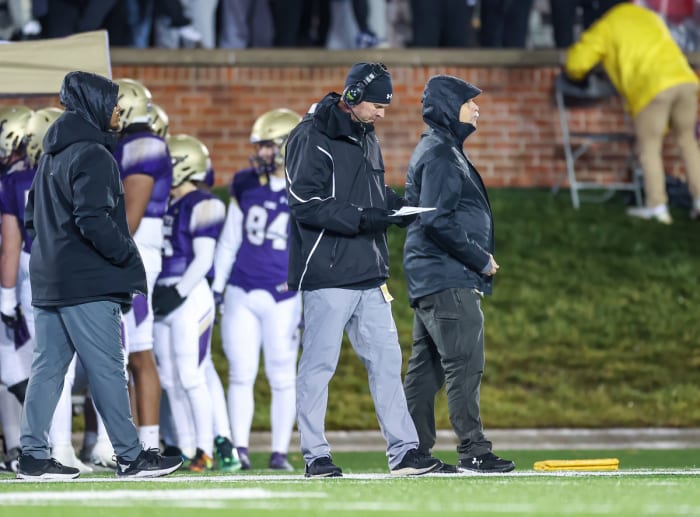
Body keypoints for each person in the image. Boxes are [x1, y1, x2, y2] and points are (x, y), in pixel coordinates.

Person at [18, 70, 182, 480]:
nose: (119, 109)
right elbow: (93, 220)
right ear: (93, 105)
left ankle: (33, 456)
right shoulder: (93, 153)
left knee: (47, 369)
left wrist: (54, 253)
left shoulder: (50, 155)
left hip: (50, 278)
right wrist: (125, 256)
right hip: (87, 281)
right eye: (112, 102)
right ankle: (130, 456)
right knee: (108, 367)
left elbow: (31, 219)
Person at [285, 62, 441, 478]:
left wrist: (396, 206)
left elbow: (370, 191)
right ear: (352, 96)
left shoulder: (365, 133)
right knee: (319, 367)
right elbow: (305, 203)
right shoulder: (309, 136)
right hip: (328, 272)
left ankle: (404, 452)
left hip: (370, 274)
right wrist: (364, 217)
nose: (382, 114)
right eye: (377, 105)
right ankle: (315, 456)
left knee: (388, 363)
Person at [401, 74, 515, 474]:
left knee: (426, 368)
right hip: (447, 275)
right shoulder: (442, 154)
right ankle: (473, 450)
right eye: (469, 102)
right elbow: (437, 220)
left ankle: (412, 451)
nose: (476, 108)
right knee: (464, 363)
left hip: (431, 274)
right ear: (450, 108)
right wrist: (479, 258)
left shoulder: (438, 148)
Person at [212, 108, 302, 471]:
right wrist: (217, 288)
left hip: (284, 293)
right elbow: (230, 239)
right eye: (260, 145)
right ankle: (240, 449)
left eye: (268, 145)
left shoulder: (307, 185)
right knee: (241, 373)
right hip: (242, 289)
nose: (261, 152)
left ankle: (280, 452)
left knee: (282, 376)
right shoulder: (245, 182)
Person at [565, 0, 700, 223]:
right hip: (685, 80)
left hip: (652, 87)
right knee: (688, 143)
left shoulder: (607, 25)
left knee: (649, 149)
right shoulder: (648, 16)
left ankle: (657, 207)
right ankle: (698, 200)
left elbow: (576, 64)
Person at [152, 134, 230, 472]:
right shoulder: (164, 202)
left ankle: (205, 448)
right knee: (168, 378)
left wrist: (178, 292)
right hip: (164, 294)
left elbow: (204, 259)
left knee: (191, 375)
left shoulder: (205, 203)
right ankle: (183, 447)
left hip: (190, 295)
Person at [112, 77, 172, 455]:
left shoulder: (144, 145)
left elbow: (129, 218)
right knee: (128, 352)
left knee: (134, 351)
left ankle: (145, 444)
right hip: (132, 251)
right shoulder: (128, 143)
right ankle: (132, 443)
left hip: (133, 253)